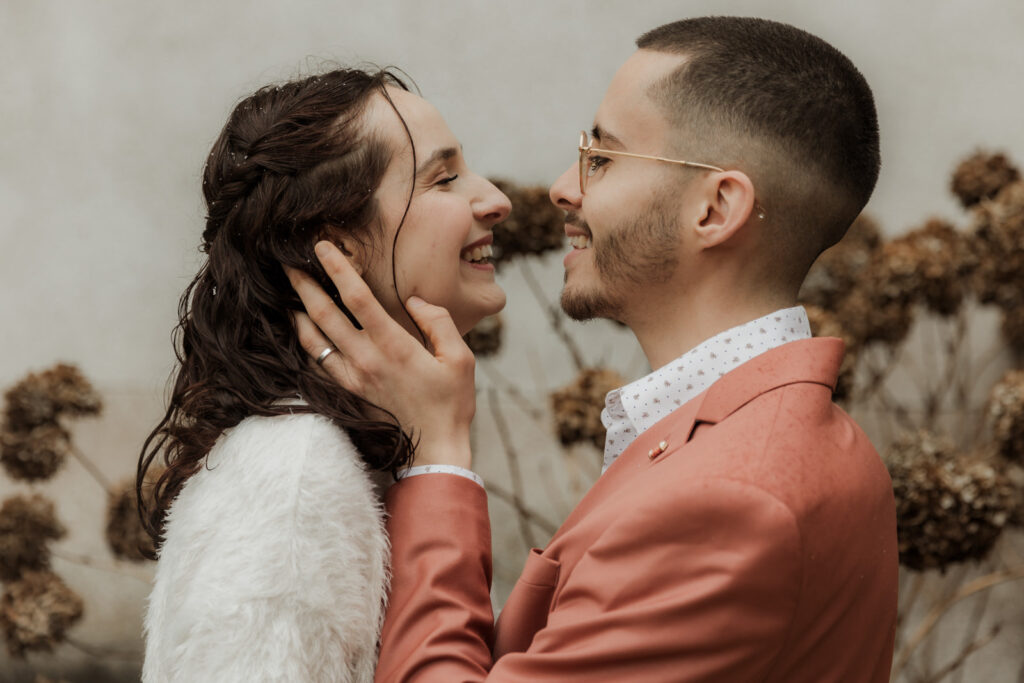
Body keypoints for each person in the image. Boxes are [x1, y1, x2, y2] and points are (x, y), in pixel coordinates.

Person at [290, 16, 899, 682]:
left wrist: (439, 454)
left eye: (601, 158)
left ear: (716, 208)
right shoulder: (762, 443)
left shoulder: (733, 498)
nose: (563, 187)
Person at [137, 67, 511, 682]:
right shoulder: (294, 475)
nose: (495, 199)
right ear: (337, 249)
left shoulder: (344, 454)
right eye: (444, 179)